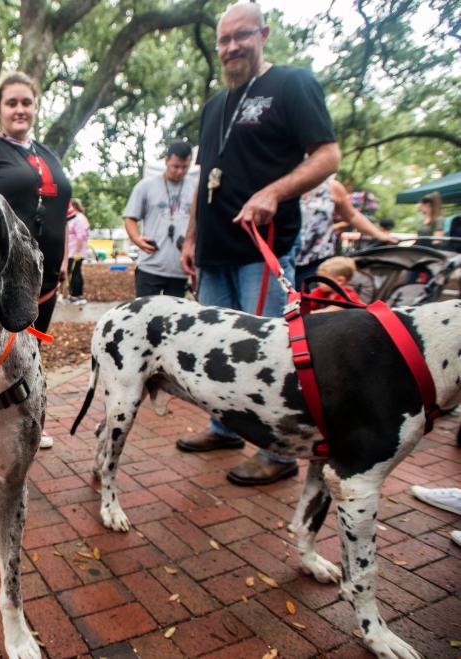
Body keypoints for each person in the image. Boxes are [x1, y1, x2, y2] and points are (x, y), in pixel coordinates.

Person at [177, 3, 340, 485]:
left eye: (241, 36)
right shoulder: (214, 105)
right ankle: (222, 426)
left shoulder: (292, 84)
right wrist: (191, 237)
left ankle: (279, 452)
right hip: (214, 252)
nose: (231, 48)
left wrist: (273, 192)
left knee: (268, 354)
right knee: (213, 349)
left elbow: (328, 155)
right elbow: (204, 176)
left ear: (263, 34)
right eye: (223, 40)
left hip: (262, 249)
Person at [0, 71, 73, 449]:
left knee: (31, 353)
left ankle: (26, 424)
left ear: (36, 106)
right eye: (12, 103)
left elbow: (63, 210)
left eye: (27, 102)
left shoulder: (48, 154)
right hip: (5, 277)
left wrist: (65, 259)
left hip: (47, 275)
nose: (20, 109)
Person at [124, 141, 196, 297]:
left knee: (175, 319)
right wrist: (137, 239)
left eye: (185, 167)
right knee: (146, 317)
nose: (180, 171)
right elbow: (130, 217)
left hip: (180, 269)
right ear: (166, 161)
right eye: (175, 166)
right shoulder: (146, 186)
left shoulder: (195, 187)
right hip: (150, 266)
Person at [295, 177, 397, 289]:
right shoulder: (282, 180)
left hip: (317, 259)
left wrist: (380, 235)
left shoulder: (331, 187)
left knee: (311, 297)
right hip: (281, 257)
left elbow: (352, 216)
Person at [63, 199, 90, 305]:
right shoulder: (75, 218)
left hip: (75, 252)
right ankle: (74, 295)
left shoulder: (79, 218)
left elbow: (80, 236)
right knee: (74, 273)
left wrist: (77, 252)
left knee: (75, 273)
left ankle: (77, 296)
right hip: (71, 251)